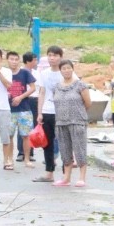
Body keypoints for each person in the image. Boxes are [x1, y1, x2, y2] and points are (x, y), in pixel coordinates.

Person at [51, 59, 92, 187]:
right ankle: (66, 178)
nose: (66, 70)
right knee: (65, 150)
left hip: (77, 121)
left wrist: (78, 113)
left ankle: (81, 177)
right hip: (61, 122)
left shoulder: (80, 85)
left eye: (69, 68)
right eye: (64, 68)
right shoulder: (56, 86)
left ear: (72, 69)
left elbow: (88, 102)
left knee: (79, 148)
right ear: (60, 70)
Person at [33, 46, 64, 182]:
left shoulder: (66, 72)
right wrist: (40, 112)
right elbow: (42, 93)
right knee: (47, 143)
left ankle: (66, 174)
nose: (52, 58)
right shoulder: (44, 73)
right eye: (50, 55)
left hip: (63, 112)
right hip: (47, 111)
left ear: (60, 57)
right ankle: (49, 173)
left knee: (64, 142)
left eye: (55, 55)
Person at [7, 51, 37, 166]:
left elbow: (33, 88)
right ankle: (9, 159)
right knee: (9, 135)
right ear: (7, 60)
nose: (14, 62)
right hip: (8, 110)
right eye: (11, 59)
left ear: (19, 61)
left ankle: (27, 159)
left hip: (24, 109)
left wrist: (21, 97)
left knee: (26, 135)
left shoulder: (24, 72)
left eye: (16, 59)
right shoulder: (4, 73)